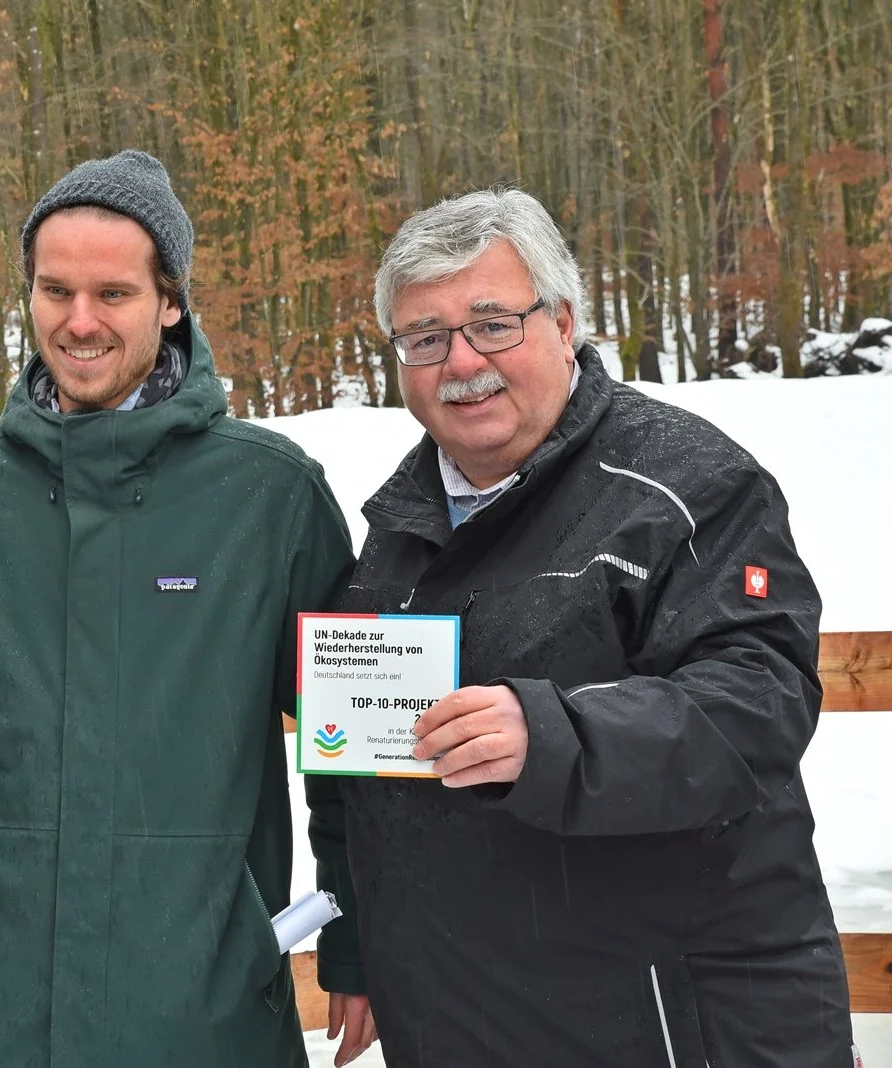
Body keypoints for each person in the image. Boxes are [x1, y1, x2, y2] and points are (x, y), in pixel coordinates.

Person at [336, 188, 855, 1066]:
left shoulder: (687, 486)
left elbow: (756, 701)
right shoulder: (399, 531)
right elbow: (350, 755)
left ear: (565, 320)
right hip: (463, 1021)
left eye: (493, 323)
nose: (462, 362)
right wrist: (361, 939)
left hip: (667, 1020)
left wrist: (555, 734)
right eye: (425, 337)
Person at [0, 150, 372, 1067]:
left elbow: (350, 746)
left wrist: (355, 935)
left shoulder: (268, 495)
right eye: (54, 290)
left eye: (112, 293)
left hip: (205, 998)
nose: (79, 322)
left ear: (170, 302)